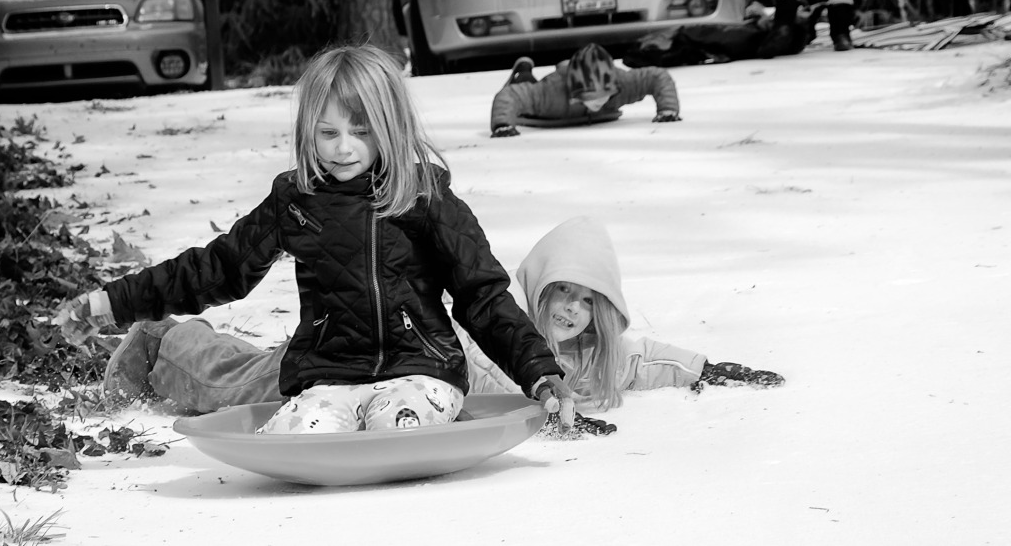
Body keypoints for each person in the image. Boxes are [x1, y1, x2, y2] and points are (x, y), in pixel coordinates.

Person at [52, 43, 576, 434]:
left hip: (417, 369)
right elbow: (220, 268)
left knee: (403, 423)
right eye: (328, 133)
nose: (343, 148)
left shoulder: (424, 198)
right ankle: (159, 340)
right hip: (325, 371)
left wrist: (539, 373)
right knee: (246, 400)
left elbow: (483, 296)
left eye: (361, 131)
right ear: (309, 131)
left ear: (390, 126)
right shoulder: (297, 200)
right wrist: (108, 301)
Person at [98, 217, 784, 439]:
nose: (570, 312)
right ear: (534, 297)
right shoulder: (495, 342)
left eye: (584, 302)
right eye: (558, 296)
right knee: (231, 383)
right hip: (348, 360)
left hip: (372, 396)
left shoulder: (601, 357)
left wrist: (708, 369)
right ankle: (160, 336)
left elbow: (649, 359)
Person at [489, 43, 681, 138]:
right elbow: (509, 96)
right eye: (590, 96)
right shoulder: (551, 92)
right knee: (524, 87)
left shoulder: (622, 83)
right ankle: (523, 70)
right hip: (552, 92)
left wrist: (668, 109)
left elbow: (657, 76)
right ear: (576, 91)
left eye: (603, 94)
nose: (599, 101)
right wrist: (502, 124)